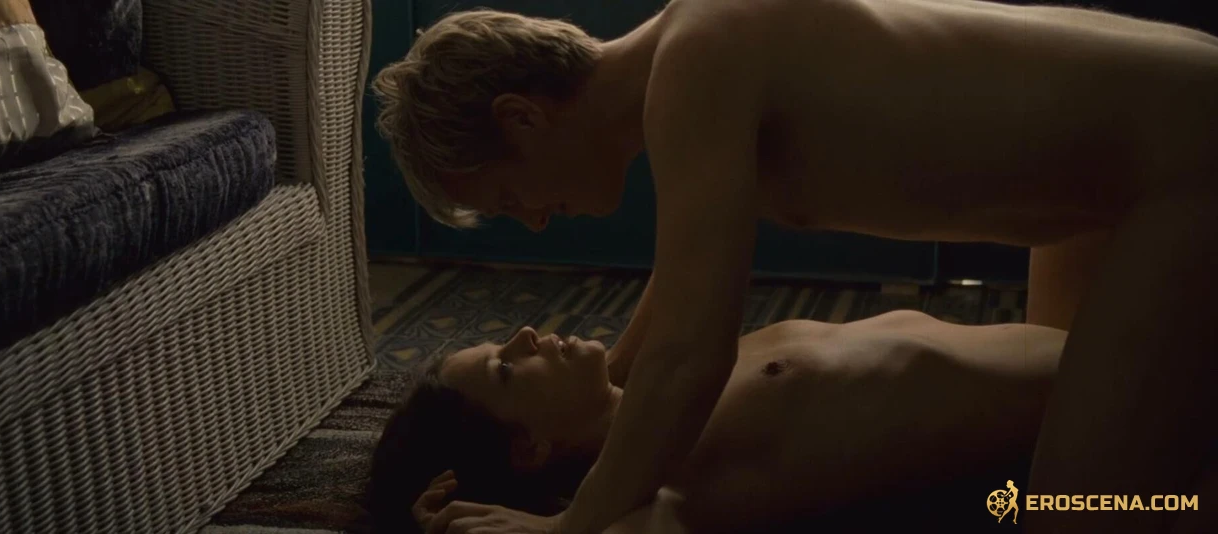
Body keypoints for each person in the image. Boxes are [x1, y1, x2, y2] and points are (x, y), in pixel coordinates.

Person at [371, 1, 1218, 532]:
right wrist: (588, 411)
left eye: (511, 196)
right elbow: (682, 289)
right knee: (1079, 432)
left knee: (1084, 514)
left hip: (1184, 160)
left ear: (522, 119)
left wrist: (572, 527)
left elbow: (689, 353)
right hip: (1125, 175)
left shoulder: (697, 65)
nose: (534, 218)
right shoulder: (692, 44)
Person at [366, 311, 1065, 533]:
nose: (525, 334)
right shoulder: (673, 489)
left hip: (1095, 353)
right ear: (529, 448)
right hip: (1116, 475)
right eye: (505, 368)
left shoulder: (669, 382)